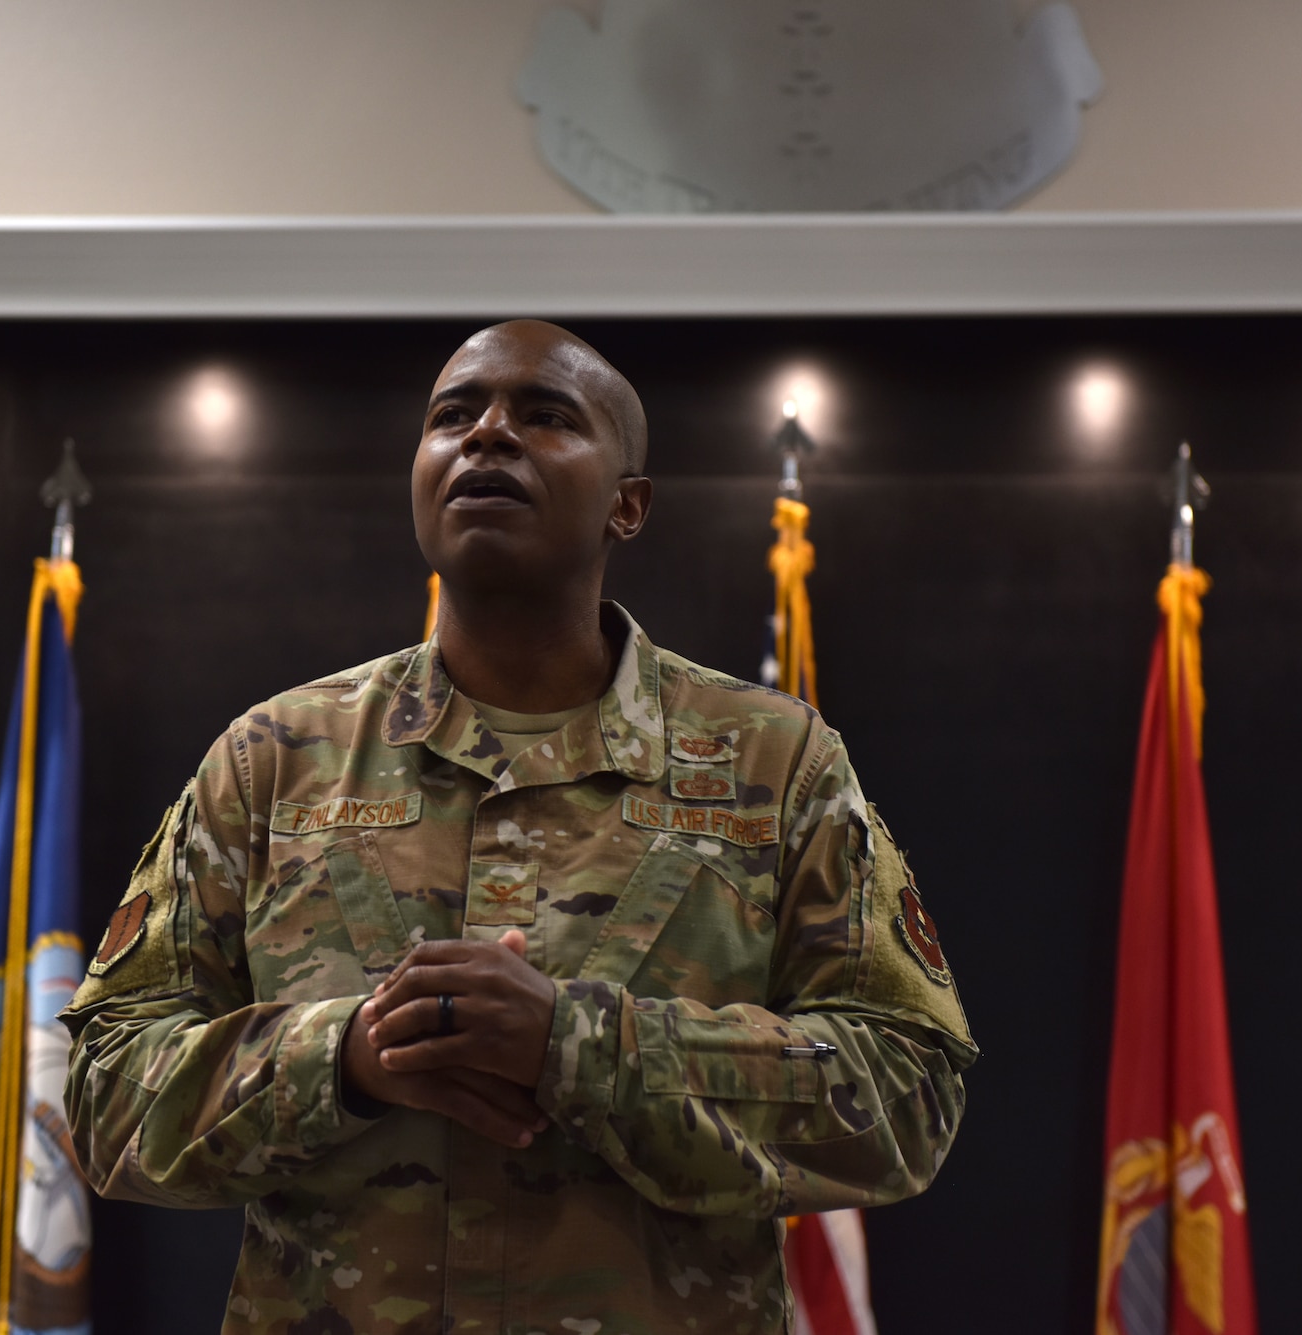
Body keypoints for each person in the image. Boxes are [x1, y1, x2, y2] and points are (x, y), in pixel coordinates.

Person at [59, 319, 977, 1334]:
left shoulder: (775, 760)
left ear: (627, 505)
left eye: (544, 417)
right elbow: (103, 1099)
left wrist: (575, 1045)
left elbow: (908, 1094)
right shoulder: (274, 758)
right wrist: (345, 1057)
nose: (485, 435)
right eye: (451, 416)